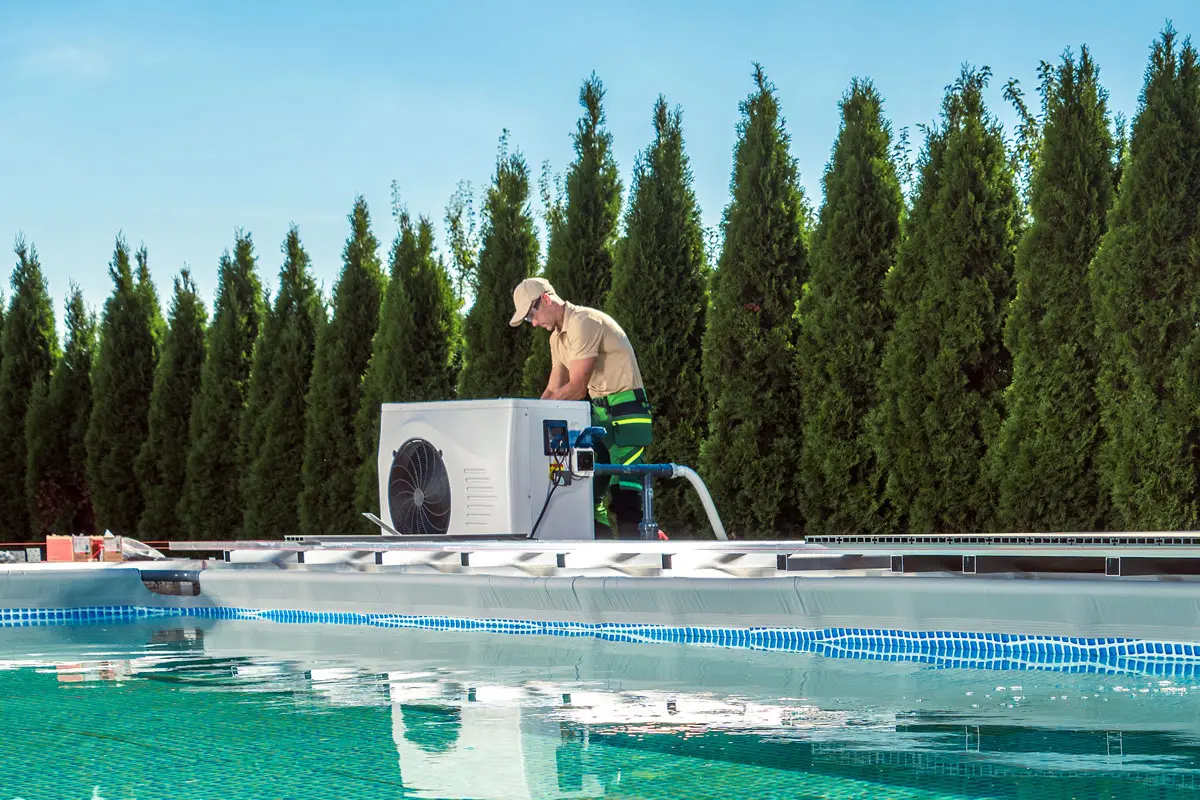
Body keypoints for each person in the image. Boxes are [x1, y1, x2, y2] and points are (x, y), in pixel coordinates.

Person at [509, 277, 653, 539]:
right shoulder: (557, 339)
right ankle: (603, 566)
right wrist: (526, 421)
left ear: (545, 299)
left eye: (532, 314)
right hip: (599, 414)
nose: (534, 323)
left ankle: (637, 566)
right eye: (529, 320)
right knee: (586, 492)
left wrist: (536, 420)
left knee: (625, 493)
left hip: (626, 412)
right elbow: (553, 390)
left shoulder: (583, 322)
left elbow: (576, 388)